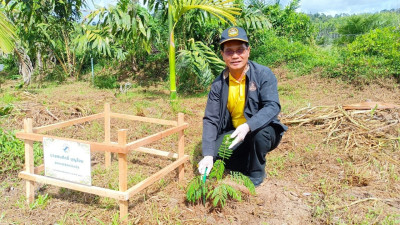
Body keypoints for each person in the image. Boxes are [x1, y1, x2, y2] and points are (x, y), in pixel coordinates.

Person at [198, 27, 288, 186]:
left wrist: (248, 126)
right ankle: (245, 159)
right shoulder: (218, 84)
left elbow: (273, 106)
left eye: (240, 50)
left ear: (248, 51)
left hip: (259, 129)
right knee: (217, 154)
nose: (235, 56)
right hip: (234, 131)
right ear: (223, 55)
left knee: (260, 135)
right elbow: (211, 119)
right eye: (229, 51)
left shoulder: (263, 74)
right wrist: (208, 155)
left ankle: (255, 174)